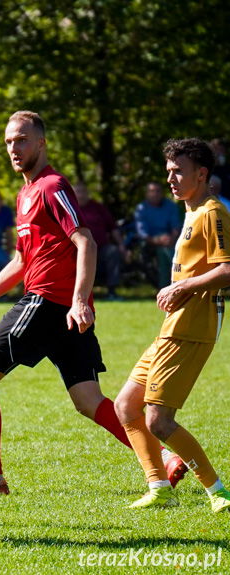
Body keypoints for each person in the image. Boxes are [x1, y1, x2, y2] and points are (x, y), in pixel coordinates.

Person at [0, 111, 187, 495]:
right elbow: (23, 260)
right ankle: (167, 460)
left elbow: (86, 240)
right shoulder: (25, 193)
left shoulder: (52, 186)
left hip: (48, 302)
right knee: (88, 400)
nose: (14, 148)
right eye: (8, 142)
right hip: (60, 308)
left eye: (21, 140)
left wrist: (79, 301)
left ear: (41, 143)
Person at [114, 139, 230, 512]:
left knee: (159, 421)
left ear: (202, 174)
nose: (171, 178)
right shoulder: (190, 211)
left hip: (192, 328)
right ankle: (159, 486)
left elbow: (227, 270)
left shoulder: (213, 213)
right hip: (172, 327)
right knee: (127, 406)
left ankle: (218, 492)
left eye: (178, 171)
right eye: (168, 171)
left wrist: (182, 286)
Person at [73, 181, 126, 301]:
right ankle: (77, 294)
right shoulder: (70, 209)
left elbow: (113, 228)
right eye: (77, 192)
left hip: (100, 248)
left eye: (83, 192)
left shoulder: (98, 208)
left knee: (113, 252)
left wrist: (121, 245)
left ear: (87, 193)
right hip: (75, 250)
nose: (80, 195)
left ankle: (112, 292)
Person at [134, 181, 181, 289]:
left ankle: (169, 286)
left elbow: (175, 227)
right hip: (149, 242)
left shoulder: (171, 206)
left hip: (170, 240)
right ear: (146, 193)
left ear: (162, 193)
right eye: (151, 191)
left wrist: (171, 239)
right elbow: (142, 233)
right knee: (164, 251)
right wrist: (157, 240)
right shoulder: (141, 208)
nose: (155, 194)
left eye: (158, 191)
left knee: (167, 250)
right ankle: (170, 286)